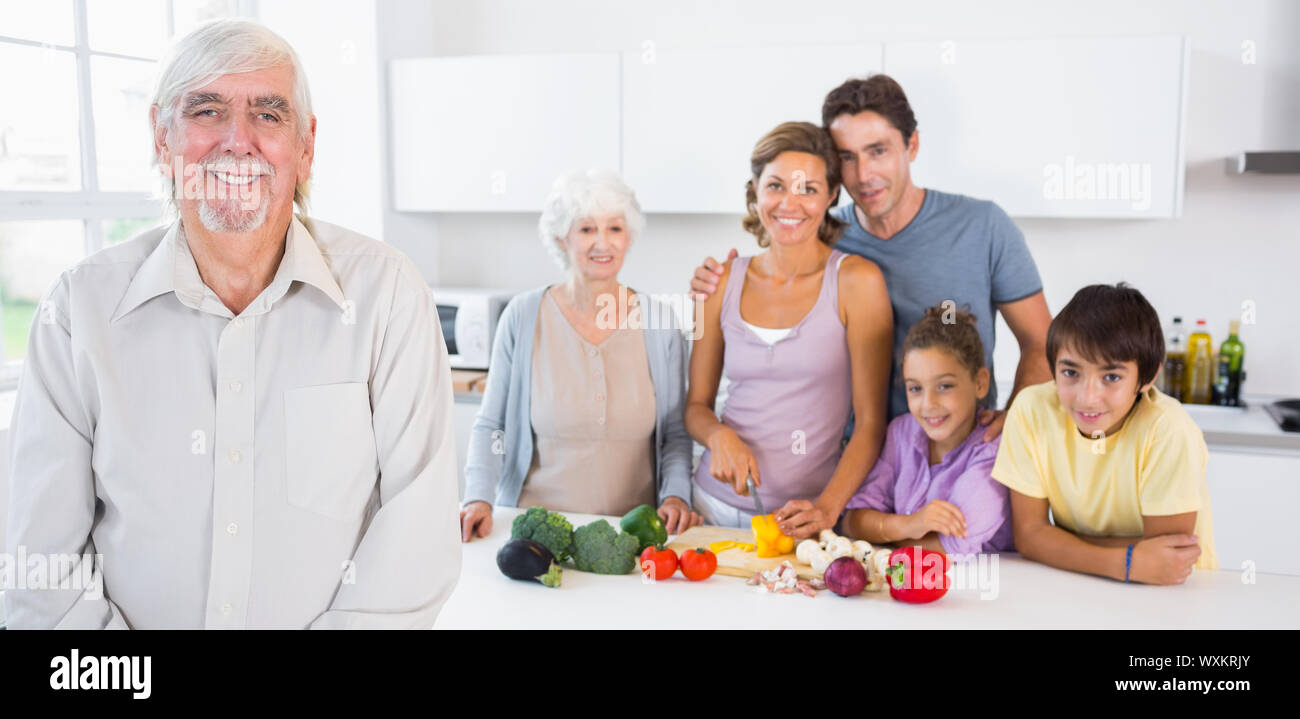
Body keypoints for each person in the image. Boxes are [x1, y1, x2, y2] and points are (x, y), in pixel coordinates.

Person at [5, 19, 461, 629]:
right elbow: (41, 566)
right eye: (207, 111)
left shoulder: (388, 297)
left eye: (268, 115)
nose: (237, 141)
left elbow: (418, 535)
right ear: (161, 140)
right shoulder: (77, 313)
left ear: (305, 147)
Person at [690, 74, 1053, 440]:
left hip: (958, 453)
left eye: (877, 151)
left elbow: (1041, 343)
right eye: (847, 157)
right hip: (856, 458)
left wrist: (1015, 418)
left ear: (912, 145)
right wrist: (718, 279)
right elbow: (774, 273)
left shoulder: (983, 226)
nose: (864, 175)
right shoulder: (824, 236)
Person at [460, 170, 701, 541]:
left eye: (615, 229)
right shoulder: (524, 316)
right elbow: (493, 425)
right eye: (587, 229)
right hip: (534, 530)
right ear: (562, 237)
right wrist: (478, 497)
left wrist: (675, 496)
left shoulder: (659, 322)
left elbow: (675, 434)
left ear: (629, 236)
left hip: (631, 536)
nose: (602, 243)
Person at [684, 122, 893, 541]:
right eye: (776, 186)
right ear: (756, 190)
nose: (789, 203)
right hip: (710, 509)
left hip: (805, 519)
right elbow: (696, 407)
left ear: (832, 195)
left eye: (808, 189)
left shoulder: (857, 281)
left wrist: (827, 509)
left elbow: (871, 423)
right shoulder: (721, 281)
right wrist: (719, 435)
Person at [992, 283, 1218, 584]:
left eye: (1111, 377)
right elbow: (1029, 536)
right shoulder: (1031, 409)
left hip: (1175, 590)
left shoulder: (1168, 429)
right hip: (1083, 581)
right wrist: (1125, 562)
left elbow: (1168, 556)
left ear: (1147, 378)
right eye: (1071, 373)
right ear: (1053, 367)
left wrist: (1058, 542)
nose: (1088, 398)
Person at [842, 304, 1013, 558]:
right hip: (911, 581)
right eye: (915, 388)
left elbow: (948, 547)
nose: (928, 404)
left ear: (980, 383)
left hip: (991, 584)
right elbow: (853, 521)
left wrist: (886, 532)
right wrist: (910, 524)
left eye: (944, 386)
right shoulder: (902, 433)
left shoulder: (993, 448)